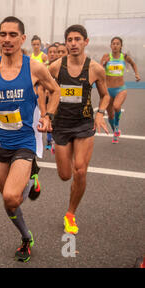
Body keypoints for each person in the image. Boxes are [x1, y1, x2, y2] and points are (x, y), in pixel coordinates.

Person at [0, 16, 60, 262]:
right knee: (9, 203)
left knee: (12, 196)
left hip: (24, 141)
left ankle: (30, 175)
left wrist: (48, 115)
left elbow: (56, 91)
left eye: (13, 35)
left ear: (22, 38)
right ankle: (26, 237)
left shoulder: (34, 67)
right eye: (3, 34)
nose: (7, 39)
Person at [48, 24, 110, 235]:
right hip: (62, 125)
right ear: (66, 43)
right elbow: (42, 85)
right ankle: (62, 152)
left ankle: (70, 213)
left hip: (84, 124)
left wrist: (101, 112)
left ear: (86, 41)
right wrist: (45, 112)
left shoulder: (95, 69)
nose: (73, 43)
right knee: (65, 175)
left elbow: (106, 95)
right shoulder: (56, 66)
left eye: (77, 39)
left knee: (80, 170)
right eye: (70, 39)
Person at [100, 37, 140, 143]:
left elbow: (133, 64)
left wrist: (136, 74)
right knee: (110, 115)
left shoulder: (125, 56)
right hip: (108, 90)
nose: (115, 45)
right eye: (113, 43)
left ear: (121, 46)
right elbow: (99, 70)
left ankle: (117, 126)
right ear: (110, 45)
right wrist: (104, 64)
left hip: (120, 88)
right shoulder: (106, 56)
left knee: (117, 106)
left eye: (117, 44)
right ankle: (115, 133)